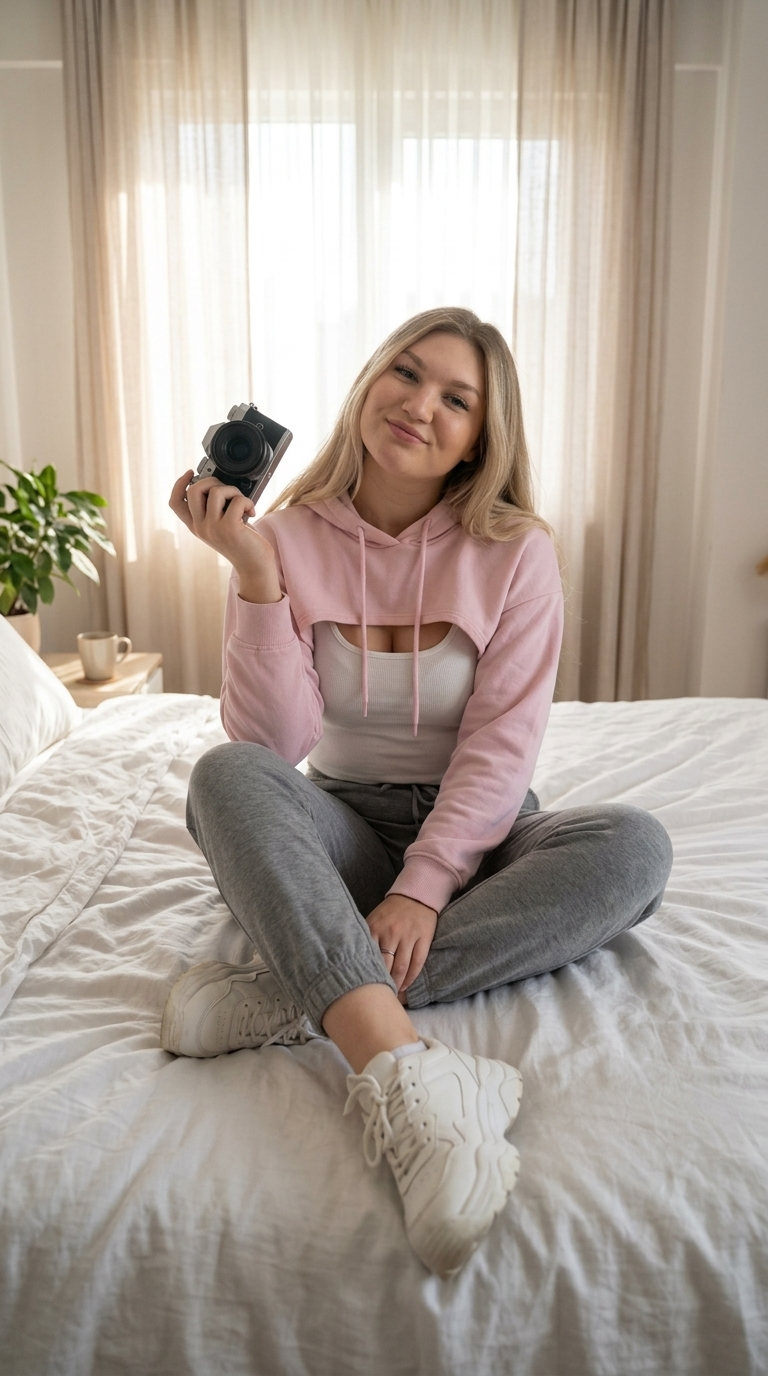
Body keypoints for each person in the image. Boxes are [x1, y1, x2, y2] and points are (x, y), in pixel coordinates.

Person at [164, 306, 673, 1279]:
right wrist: (257, 576)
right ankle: (407, 1070)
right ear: (370, 383)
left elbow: (503, 743)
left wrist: (427, 884)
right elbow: (276, 744)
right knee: (224, 774)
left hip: (480, 836)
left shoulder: (516, 550)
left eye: (456, 398)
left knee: (635, 846)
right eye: (406, 373)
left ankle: (306, 988)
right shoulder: (287, 537)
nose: (420, 405)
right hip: (342, 826)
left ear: (480, 436)